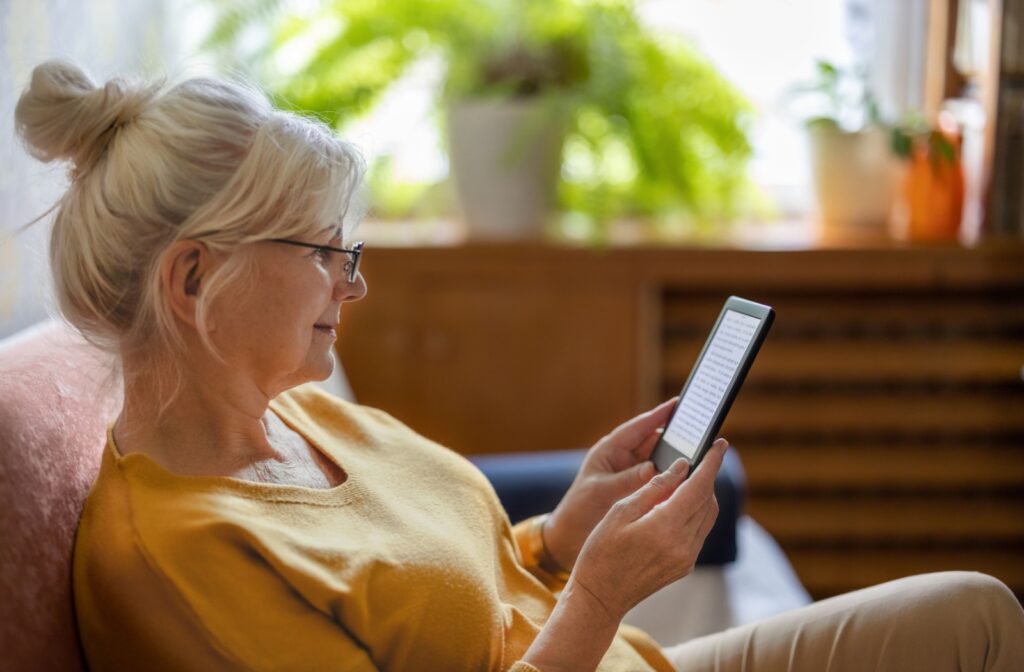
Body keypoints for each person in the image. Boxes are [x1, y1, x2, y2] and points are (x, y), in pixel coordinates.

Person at [15, 59, 1023, 672]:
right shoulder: (181, 563)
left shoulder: (291, 413)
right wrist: (596, 599)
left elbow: (442, 602)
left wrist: (563, 534)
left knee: (973, 610)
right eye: (323, 252)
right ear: (195, 280)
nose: (350, 286)